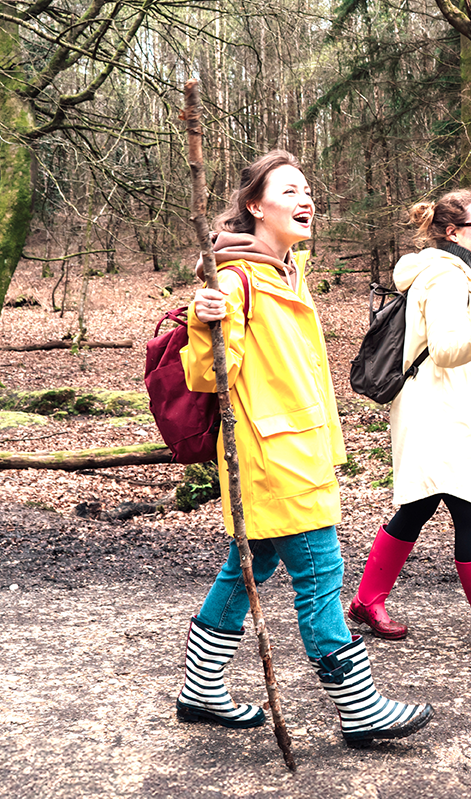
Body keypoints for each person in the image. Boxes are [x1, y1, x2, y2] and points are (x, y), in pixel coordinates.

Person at [175, 149, 432, 746]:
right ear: (254, 206)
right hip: (273, 456)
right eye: (288, 190)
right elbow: (212, 375)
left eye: (308, 189)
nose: (305, 199)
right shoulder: (236, 279)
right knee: (321, 571)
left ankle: (199, 688)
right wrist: (202, 318)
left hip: (299, 449)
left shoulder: (287, 274)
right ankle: (360, 707)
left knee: (251, 566)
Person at [348, 191, 471, 653]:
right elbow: (444, 350)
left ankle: (366, 601)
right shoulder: (445, 278)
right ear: (452, 232)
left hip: (437, 408)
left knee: (417, 508)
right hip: (439, 414)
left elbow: (458, 347)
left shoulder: (448, 273)